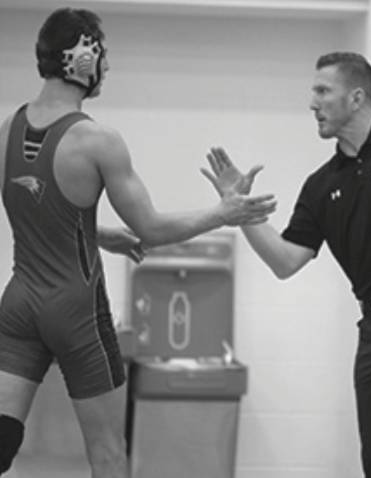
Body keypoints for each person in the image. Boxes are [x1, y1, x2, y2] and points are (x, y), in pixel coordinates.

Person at [0, 7, 276, 478]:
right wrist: (223, 213)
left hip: (20, 303)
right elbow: (151, 229)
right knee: (107, 454)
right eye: (103, 56)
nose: (107, 67)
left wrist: (95, 232)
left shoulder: (8, 128)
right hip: (77, 312)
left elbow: (32, 206)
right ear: (82, 58)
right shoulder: (97, 140)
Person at [204, 51, 371, 478]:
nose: (312, 103)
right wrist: (241, 213)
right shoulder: (321, 186)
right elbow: (285, 261)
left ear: (356, 98)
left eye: (323, 91)